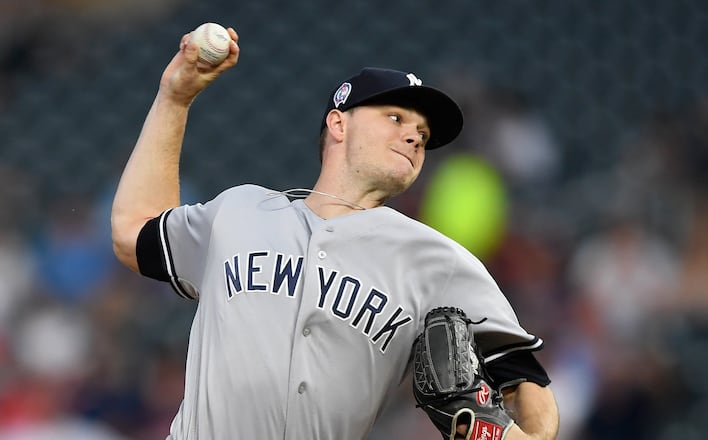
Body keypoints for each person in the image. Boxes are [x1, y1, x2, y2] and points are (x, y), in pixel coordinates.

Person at [110, 25, 559, 440]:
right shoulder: (239, 210)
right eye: (396, 118)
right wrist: (175, 99)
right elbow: (133, 231)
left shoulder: (438, 260)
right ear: (338, 122)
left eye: (423, 132)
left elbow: (527, 382)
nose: (415, 137)